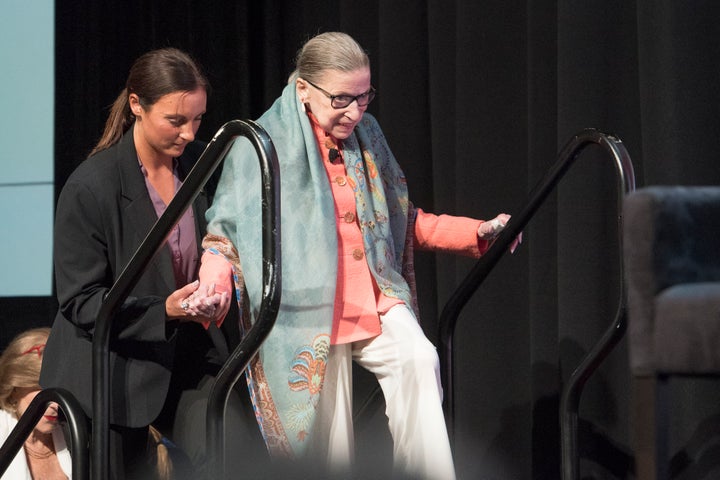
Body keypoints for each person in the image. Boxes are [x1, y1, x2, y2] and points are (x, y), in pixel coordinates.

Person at [191, 32, 522, 480]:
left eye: (364, 97)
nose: (355, 111)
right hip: (305, 310)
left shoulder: (367, 134)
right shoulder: (261, 144)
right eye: (342, 98)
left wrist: (479, 233)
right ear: (303, 89)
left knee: (418, 360)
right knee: (332, 448)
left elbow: (403, 220)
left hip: (373, 296)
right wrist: (212, 288)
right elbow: (225, 234)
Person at [39, 47, 234, 479]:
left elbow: (227, 242)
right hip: (110, 369)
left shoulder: (205, 165)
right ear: (135, 106)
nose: (188, 133)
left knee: (227, 446)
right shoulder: (92, 186)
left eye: (198, 118)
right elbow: (82, 301)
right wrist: (164, 310)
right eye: (176, 120)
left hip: (187, 354)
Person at [0, 327, 71, 479]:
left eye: (62, 390)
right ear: (15, 388)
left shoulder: (79, 435)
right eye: (41, 389)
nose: (55, 404)